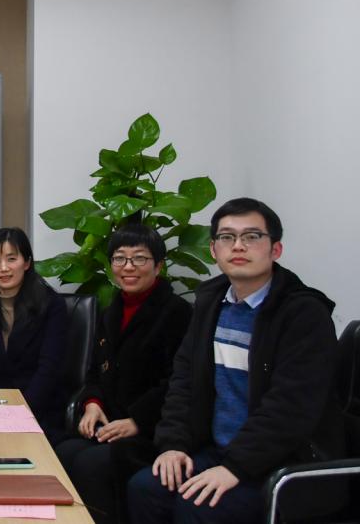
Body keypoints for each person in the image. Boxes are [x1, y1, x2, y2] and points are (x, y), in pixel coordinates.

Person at [127, 198, 342, 524]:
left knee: (198, 507)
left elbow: (290, 409)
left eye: (252, 236)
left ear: (276, 249)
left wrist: (235, 468)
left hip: (283, 462)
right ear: (214, 250)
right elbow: (184, 381)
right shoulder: (211, 303)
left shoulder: (303, 314)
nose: (238, 246)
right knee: (146, 489)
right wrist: (173, 445)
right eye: (227, 237)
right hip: (218, 451)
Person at [55, 224, 192, 524]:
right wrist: (93, 404)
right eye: (119, 258)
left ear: (158, 265)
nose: (128, 267)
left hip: (152, 431)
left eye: (139, 258)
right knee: (63, 452)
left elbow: (178, 383)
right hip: (111, 423)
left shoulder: (177, 313)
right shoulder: (111, 311)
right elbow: (95, 370)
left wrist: (137, 421)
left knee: (92, 464)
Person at [0, 227, 68, 441]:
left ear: (27, 262)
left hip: (39, 412)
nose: (3, 268)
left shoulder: (51, 305)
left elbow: (48, 369)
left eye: (11, 259)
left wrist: (19, 414)